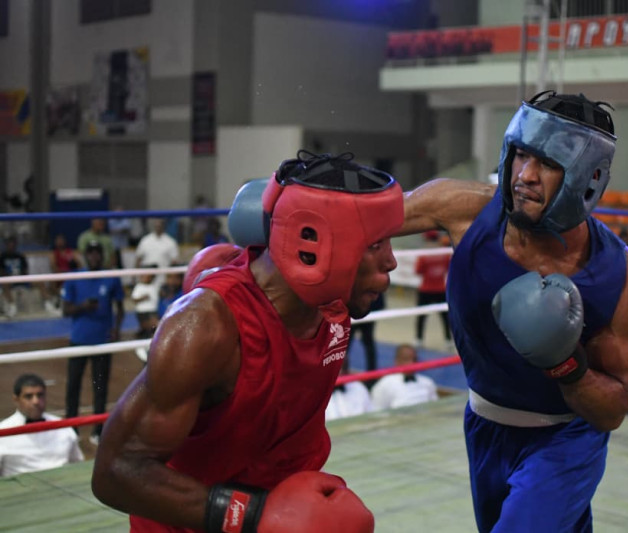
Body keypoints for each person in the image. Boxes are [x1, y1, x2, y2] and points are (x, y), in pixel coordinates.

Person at [91, 151, 402, 532]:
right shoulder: (206, 328)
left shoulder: (332, 302)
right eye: (374, 246)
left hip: (289, 508)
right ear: (317, 248)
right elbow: (115, 471)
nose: (391, 262)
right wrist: (252, 515)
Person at [400, 92, 628, 532]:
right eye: (521, 156)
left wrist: (567, 364)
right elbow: (365, 218)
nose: (525, 176)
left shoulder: (617, 274)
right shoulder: (464, 209)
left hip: (566, 439)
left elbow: (612, 411)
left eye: (548, 164)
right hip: (485, 425)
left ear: (585, 178)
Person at [62, 240, 125, 445]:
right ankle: (71, 429)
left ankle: (99, 430)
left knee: (100, 387)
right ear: (85, 255)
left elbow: (121, 307)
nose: (94, 256)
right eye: (91, 252)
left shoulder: (110, 278)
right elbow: (65, 310)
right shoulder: (74, 278)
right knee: (73, 385)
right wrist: (83, 306)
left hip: (102, 341)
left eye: (98, 252)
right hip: (79, 340)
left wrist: (116, 328)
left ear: (102, 254)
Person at [0, 374, 84, 476]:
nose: (36, 401)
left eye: (40, 395)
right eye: (28, 396)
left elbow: (77, 464)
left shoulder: (63, 427)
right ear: (16, 399)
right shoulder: (3, 432)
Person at [414, 229, 452, 349]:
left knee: (421, 316)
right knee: (445, 317)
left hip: (426, 289)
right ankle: (448, 340)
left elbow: (418, 271)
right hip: (440, 288)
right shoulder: (443, 253)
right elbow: (448, 267)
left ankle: (419, 339)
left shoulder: (425, 254)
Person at [371, 344, 438, 411]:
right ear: (397, 361)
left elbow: (435, 409)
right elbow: (377, 412)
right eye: (406, 359)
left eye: (414, 359)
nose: (411, 363)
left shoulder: (427, 383)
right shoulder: (385, 384)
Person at [347, 291, 384, 377]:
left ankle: (372, 373)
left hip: (368, 311)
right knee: (345, 343)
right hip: (354, 311)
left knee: (368, 343)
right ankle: (338, 369)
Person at [0, 235, 29, 318]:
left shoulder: (20, 256)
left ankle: (49, 303)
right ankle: (12, 306)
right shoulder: (2, 257)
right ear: (6, 245)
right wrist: (9, 276)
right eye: (9, 244)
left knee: (39, 280)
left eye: (13, 244)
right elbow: (1, 271)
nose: (11, 246)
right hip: (8, 279)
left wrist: (21, 276)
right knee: (4, 284)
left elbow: (25, 270)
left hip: (20, 279)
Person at [130, 266, 160, 338]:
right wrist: (142, 298)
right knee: (150, 325)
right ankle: (142, 335)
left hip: (153, 310)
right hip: (143, 311)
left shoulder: (154, 286)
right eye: (144, 276)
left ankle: (146, 336)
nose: (146, 278)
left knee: (153, 327)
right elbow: (134, 299)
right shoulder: (139, 286)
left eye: (149, 276)